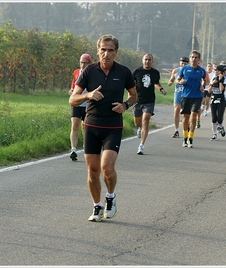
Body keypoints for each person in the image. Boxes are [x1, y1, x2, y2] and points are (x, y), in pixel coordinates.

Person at [69, 34, 137, 222]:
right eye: (103, 50)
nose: (106, 54)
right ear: (98, 51)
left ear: (116, 52)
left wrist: (125, 105)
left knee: (106, 167)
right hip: (91, 125)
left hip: (113, 126)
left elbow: (133, 95)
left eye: (110, 50)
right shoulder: (89, 71)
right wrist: (88, 95)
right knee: (92, 171)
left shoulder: (123, 72)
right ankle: (97, 206)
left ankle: (111, 197)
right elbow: (72, 99)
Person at [133, 53, 167, 155]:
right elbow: (131, 85)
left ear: (152, 61)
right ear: (142, 61)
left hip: (149, 101)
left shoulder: (155, 72)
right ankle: (139, 128)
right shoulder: (136, 72)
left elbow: (156, 83)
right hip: (138, 101)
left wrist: (161, 89)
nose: (147, 61)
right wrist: (131, 97)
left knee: (146, 120)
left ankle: (141, 145)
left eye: (149, 60)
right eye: (145, 59)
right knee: (137, 123)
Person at [176, 50, 208, 148]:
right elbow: (177, 80)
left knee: (193, 116)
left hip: (197, 96)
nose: (194, 59)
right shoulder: (184, 69)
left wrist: (202, 86)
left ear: (199, 59)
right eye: (192, 57)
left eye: (196, 57)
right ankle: (185, 137)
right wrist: (180, 81)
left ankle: (191, 138)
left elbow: (204, 80)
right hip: (185, 96)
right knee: (185, 117)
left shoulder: (201, 70)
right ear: (190, 58)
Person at [68, 53, 92, 161]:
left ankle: (86, 147)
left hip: (88, 105)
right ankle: (73, 149)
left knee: (85, 128)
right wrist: (71, 91)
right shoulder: (76, 72)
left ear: (89, 63)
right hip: (77, 104)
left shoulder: (93, 74)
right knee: (74, 126)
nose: (83, 65)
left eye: (85, 63)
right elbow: (73, 86)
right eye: (81, 62)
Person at [168, 56, 189, 138]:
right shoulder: (176, 71)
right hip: (178, 92)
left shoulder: (189, 71)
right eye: (182, 63)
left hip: (187, 94)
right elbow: (172, 79)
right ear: (180, 63)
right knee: (176, 109)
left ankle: (187, 125)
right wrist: (170, 82)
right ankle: (176, 130)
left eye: (185, 63)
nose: (183, 64)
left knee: (186, 113)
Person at [208, 65, 226, 140]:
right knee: (214, 118)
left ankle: (221, 127)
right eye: (215, 70)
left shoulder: (225, 79)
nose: (215, 72)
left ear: (221, 72)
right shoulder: (213, 78)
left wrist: (220, 80)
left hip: (221, 99)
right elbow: (209, 91)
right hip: (213, 98)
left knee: (220, 118)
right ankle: (214, 134)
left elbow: (221, 89)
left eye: (217, 70)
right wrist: (212, 83)